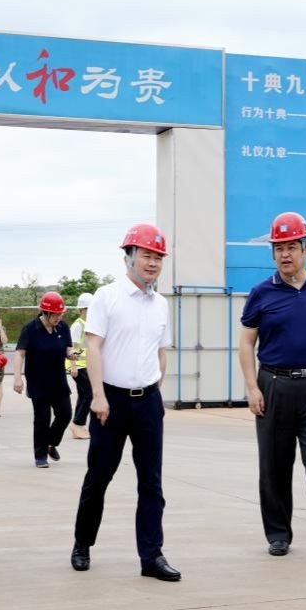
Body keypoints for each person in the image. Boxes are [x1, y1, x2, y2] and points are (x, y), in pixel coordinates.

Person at [71, 224, 180, 582]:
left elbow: (161, 351)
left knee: (151, 483)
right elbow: (93, 347)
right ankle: (82, 544)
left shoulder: (161, 304)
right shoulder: (107, 296)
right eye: (146, 255)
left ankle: (152, 556)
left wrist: (156, 387)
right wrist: (98, 396)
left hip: (147, 402)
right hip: (111, 403)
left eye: (158, 257)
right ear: (129, 257)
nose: (153, 263)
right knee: (99, 477)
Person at [239, 212, 306, 563]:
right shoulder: (262, 293)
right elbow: (246, 343)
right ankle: (278, 534)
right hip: (274, 385)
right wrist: (252, 387)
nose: (285, 254)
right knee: (275, 466)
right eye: (279, 248)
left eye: (292, 247)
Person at [13, 291, 75, 467]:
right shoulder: (30, 329)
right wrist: (17, 378)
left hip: (58, 380)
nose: (59, 317)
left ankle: (51, 443)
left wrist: (72, 355)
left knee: (65, 414)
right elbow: (20, 354)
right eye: (55, 314)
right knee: (42, 419)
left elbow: (67, 348)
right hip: (38, 381)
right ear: (45, 312)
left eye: (61, 314)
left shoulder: (63, 327)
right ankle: (40, 456)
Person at [68, 292, 95, 440]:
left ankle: (78, 425)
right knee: (90, 394)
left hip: (85, 365)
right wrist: (73, 366)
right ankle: (77, 423)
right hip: (78, 365)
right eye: (89, 309)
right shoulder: (78, 325)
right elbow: (71, 346)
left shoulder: (88, 325)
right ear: (82, 310)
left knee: (84, 395)